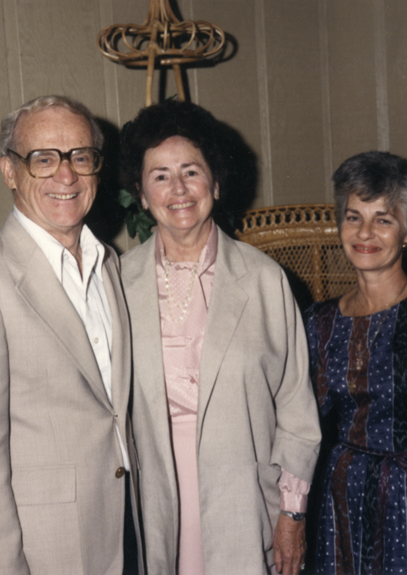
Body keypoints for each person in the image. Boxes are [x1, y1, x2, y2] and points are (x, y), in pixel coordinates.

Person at [0, 95, 142, 575]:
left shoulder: (111, 265)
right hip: (46, 549)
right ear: (9, 171)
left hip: (128, 529)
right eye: (43, 158)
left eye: (80, 157)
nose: (65, 176)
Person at [119, 99, 321, 575]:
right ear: (142, 195)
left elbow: (296, 408)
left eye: (191, 171)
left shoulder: (264, 279)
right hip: (152, 503)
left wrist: (291, 514)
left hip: (246, 499)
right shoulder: (115, 283)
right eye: (160, 176)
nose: (178, 189)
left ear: (215, 181)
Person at [305, 151, 407, 574]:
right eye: (353, 217)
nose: (365, 232)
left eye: (383, 219)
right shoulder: (318, 322)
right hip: (340, 500)